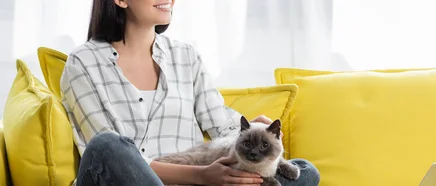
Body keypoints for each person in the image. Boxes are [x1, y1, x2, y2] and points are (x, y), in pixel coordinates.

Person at [60, 0, 320, 185]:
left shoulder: (186, 56)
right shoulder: (83, 62)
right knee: (107, 146)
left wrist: (254, 130)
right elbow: (107, 156)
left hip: (201, 180)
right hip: (127, 180)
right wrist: (202, 175)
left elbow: (225, 128)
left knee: (304, 171)